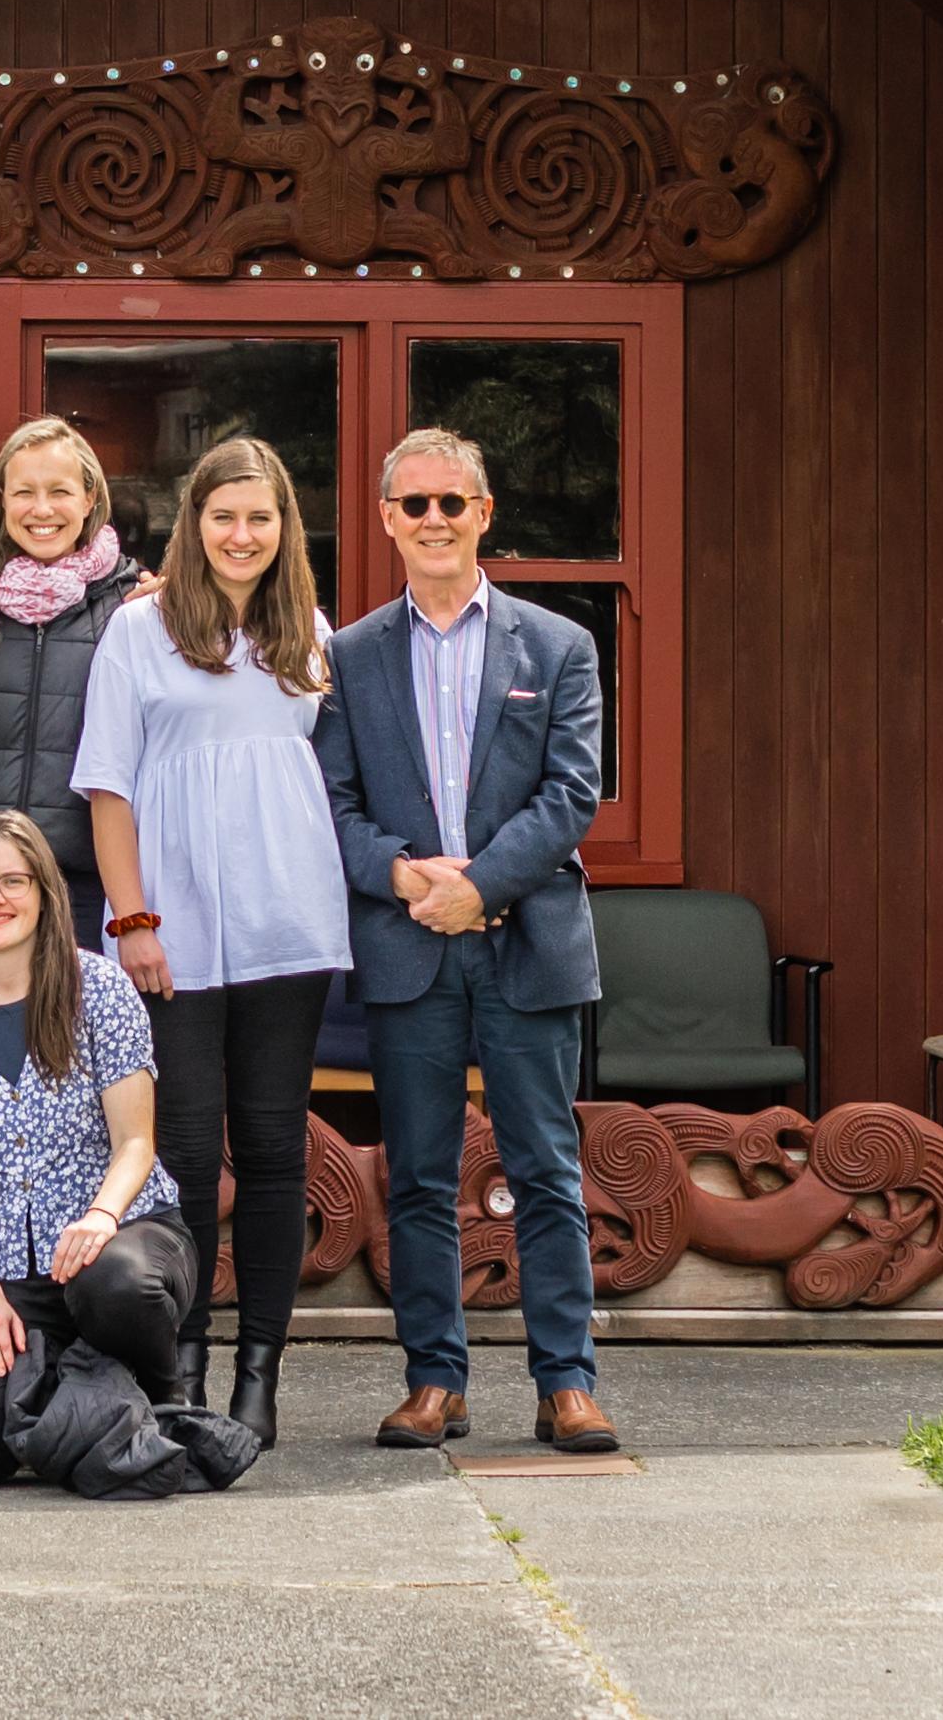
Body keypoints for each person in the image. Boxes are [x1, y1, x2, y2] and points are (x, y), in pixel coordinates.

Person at [314, 428, 622, 1458]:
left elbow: (572, 792)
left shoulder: (559, 644)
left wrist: (479, 886)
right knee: (420, 1175)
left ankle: (566, 1382)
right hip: (408, 943)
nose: (435, 520)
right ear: (387, 521)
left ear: (485, 513)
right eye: (415, 505)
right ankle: (433, 1379)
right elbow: (333, 800)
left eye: (453, 502)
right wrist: (407, 877)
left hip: (526, 939)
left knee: (545, 1166)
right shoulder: (350, 656)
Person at [67, 434, 351, 1446]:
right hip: (170, 932)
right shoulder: (140, 631)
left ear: (284, 531)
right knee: (184, 1152)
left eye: (261, 518)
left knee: (274, 1151)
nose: (242, 534)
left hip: (288, 925)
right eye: (224, 515)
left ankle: (259, 1377)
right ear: (195, 524)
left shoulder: (308, 636)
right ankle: (179, 1363)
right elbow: (108, 788)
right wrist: (134, 917)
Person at [0, 813, 192, 1491]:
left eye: (11, 880)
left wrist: (99, 1218)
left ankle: (161, 1400)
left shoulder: (101, 990)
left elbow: (136, 1144)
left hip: (124, 1240)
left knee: (113, 1282)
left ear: (44, 892)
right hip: (12, 1278)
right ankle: (80, 1403)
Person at [0, 417, 138, 898]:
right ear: (0, 499)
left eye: (60, 491)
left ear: (90, 499)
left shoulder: (131, 606)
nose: (41, 509)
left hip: (85, 879)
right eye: (24, 492)